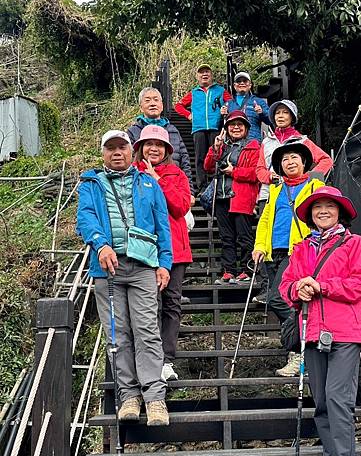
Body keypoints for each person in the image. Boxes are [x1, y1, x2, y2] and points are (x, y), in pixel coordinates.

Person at [279, 186, 361, 456]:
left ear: (339, 212)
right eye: (317, 207)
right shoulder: (301, 248)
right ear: (310, 215)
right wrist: (297, 290)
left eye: (329, 207)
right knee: (321, 403)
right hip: (312, 333)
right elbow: (285, 285)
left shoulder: (353, 243)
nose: (322, 211)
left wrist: (322, 285)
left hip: (346, 332)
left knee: (338, 399)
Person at [76, 129, 172, 426]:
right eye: (110, 149)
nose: (117, 153)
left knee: (147, 330)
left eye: (122, 147)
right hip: (108, 269)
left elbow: (162, 224)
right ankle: (129, 396)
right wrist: (100, 243)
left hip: (143, 266)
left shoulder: (148, 183)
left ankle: (154, 398)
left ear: (133, 152)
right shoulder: (90, 184)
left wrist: (165, 263)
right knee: (117, 335)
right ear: (103, 153)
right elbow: (86, 216)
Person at [252, 140, 324, 376]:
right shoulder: (276, 190)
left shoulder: (315, 187)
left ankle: (299, 346)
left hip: (299, 252)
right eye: (284, 159)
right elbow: (265, 220)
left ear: (304, 162)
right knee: (287, 301)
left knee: (278, 299)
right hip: (274, 251)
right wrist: (260, 245)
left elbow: (325, 216)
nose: (289, 162)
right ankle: (299, 348)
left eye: (294, 158)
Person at [253, 99, 333, 305]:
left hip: (298, 247)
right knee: (283, 297)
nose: (280, 116)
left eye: (285, 113)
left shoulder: (302, 141)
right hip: (271, 195)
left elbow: (326, 160)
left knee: (281, 299)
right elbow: (260, 169)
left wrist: (315, 177)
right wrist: (270, 178)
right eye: (277, 113)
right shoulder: (267, 141)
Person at [132, 125, 193, 381]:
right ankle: (149, 358)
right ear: (140, 148)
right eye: (149, 144)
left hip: (176, 248)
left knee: (171, 303)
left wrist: (158, 182)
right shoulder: (131, 173)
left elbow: (181, 207)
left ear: (167, 150)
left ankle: (167, 359)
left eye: (159, 145)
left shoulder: (176, 173)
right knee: (148, 305)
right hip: (144, 249)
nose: (153, 149)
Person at [204, 110, 259, 285]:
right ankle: (228, 271)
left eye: (239, 125)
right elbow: (208, 166)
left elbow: (255, 173)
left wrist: (234, 172)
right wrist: (216, 147)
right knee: (226, 236)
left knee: (243, 236)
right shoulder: (223, 146)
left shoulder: (253, 146)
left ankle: (246, 270)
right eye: (232, 125)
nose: (236, 127)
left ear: (246, 128)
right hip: (221, 197)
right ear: (226, 128)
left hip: (241, 197)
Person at [127, 87, 195, 202]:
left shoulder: (172, 130)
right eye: (147, 100)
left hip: (173, 188)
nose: (152, 103)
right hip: (142, 190)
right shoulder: (133, 131)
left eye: (156, 100)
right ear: (141, 107)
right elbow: (128, 161)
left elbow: (185, 161)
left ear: (162, 105)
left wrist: (190, 191)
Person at [175, 64, 232, 194]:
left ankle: (217, 185)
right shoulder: (194, 93)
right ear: (197, 76)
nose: (204, 74)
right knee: (200, 157)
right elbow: (178, 106)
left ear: (211, 75)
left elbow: (231, 103)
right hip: (198, 128)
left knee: (217, 156)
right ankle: (202, 187)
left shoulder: (220, 90)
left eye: (207, 72)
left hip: (215, 127)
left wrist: (226, 109)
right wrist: (188, 115)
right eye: (201, 72)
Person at [221, 71, 271, 142]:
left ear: (250, 85)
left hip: (253, 142)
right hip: (233, 144)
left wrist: (262, 112)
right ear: (234, 86)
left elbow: (270, 121)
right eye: (239, 81)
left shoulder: (259, 102)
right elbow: (223, 126)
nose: (242, 83)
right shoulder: (228, 104)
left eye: (245, 81)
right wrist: (222, 115)